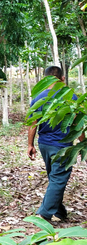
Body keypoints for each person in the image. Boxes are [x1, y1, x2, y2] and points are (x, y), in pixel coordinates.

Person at [27, 65, 83, 222]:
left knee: (55, 178)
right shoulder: (70, 97)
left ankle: (60, 212)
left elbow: (32, 123)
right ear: (62, 79)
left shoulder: (38, 98)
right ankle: (43, 214)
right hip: (62, 146)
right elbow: (77, 124)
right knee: (58, 179)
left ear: (45, 79)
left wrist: (30, 145)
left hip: (44, 144)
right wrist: (83, 143)